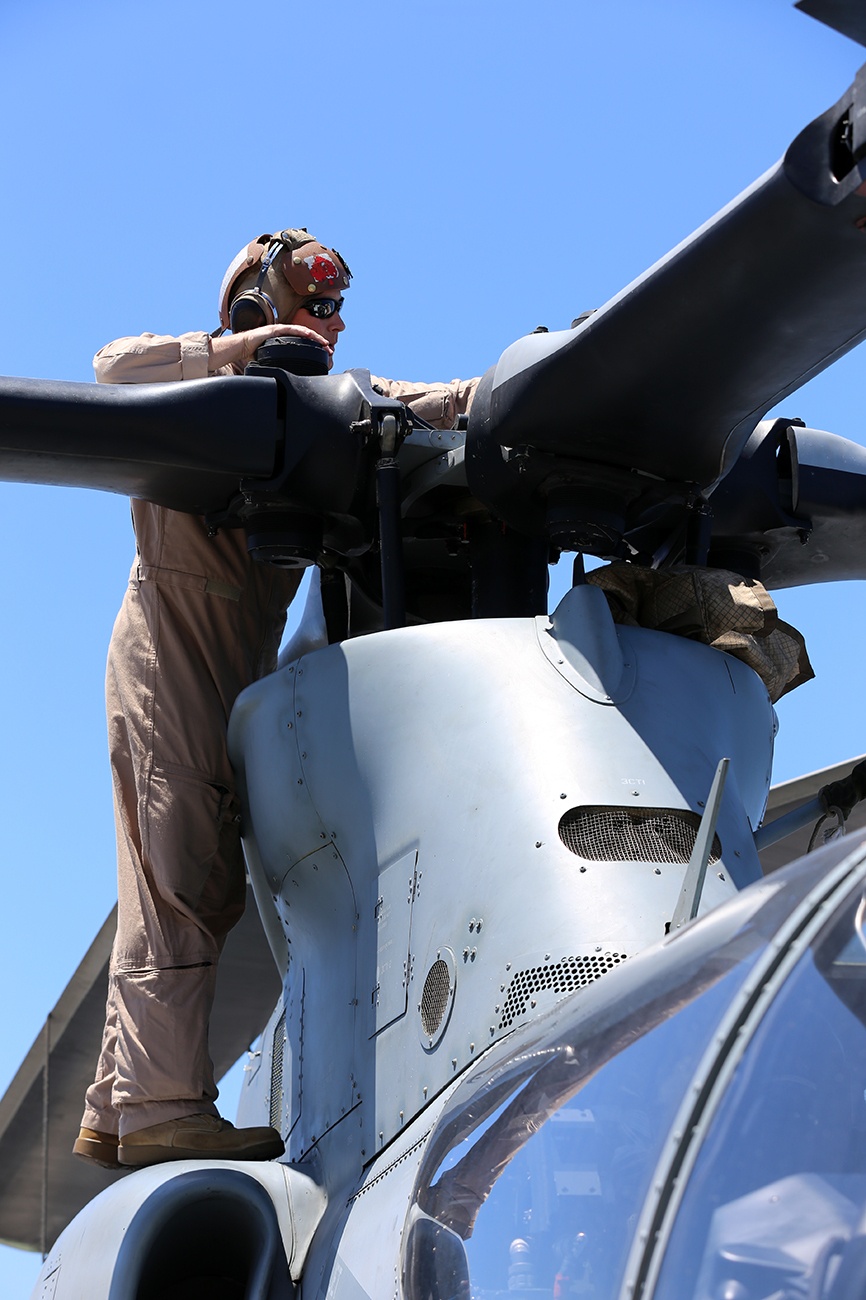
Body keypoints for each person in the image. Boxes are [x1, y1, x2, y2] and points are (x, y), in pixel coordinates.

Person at [72, 229, 477, 1169]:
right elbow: (108, 369)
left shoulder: (329, 412)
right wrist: (245, 354)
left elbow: (422, 407)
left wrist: (504, 394)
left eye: (335, 306)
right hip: (169, 655)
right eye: (308, 301)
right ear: (253, 304)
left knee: (197, 877)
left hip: (233, 670)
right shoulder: (196, 387)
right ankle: (164, 1106)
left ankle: (117, 1100)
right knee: (176, 871)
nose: (325, 321)